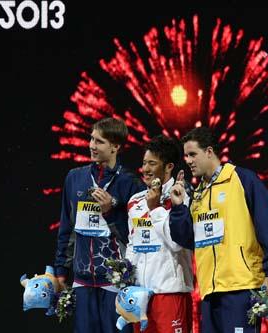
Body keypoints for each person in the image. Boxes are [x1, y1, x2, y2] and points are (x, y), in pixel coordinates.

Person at [169, 126, 268, 333]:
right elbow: (187, 240)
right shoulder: (198, 194)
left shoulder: (242, 179)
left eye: (192, 154)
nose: (187, 160)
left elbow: (266, 225)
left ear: (209, 152)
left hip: (240, 287)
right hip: (210, 290)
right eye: (186, 155)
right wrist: (178, 208)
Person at [54, 117, 145, 333]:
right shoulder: (75, 178)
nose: (92, 146)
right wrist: (60, 269)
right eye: (91, 139)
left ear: (115, 147)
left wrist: (111, 212)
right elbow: (66, 228)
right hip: (82, 282)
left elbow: (137, 236)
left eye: (99, 141)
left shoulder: (130, 184)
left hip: (116, 284)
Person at [125, 135, 193, 333]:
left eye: (152, 163)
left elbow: (177, 243)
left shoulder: (183, 196)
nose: (145, 169)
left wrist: (155, 208)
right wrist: (127, 276)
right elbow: (133, 243)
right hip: (140, 296)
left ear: (168, 166)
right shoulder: (135, 201)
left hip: (170, 293)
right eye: (144, 163)